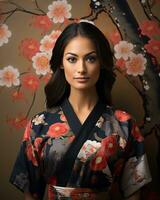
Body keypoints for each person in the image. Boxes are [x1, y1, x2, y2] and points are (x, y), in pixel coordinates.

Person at [10, 22, 152, 200]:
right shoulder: (40, 125)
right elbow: (30, 194)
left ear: (101, 63)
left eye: (91, 58)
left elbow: (133, 192)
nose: (81, 69)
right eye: (72, 59)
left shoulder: (124, 124)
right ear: (61, 63)